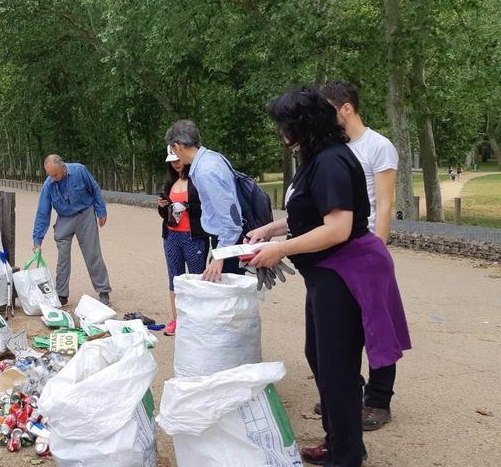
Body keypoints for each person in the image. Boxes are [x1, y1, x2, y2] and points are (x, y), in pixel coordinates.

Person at [248, 86, 410, 466]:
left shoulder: (332, 161)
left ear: (302, 125)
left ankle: (346, 454)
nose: (281, 133)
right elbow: (312, 212)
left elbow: (337, 228)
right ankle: (341, 440)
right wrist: (271, 230)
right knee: (320, 355)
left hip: (347, 268)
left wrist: (280, 250)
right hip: (328, 269)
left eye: (284, 125)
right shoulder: (318, 158)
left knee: (337, 364)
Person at [321, 81, 399, 430]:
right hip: (337, 250)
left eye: (328, 109)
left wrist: (377, 249)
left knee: (377, 327)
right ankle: (348, 393)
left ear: (346, 108)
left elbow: (384, 203)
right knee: (343, 327)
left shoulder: (378, 146)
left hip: (366, 248)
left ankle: (380, 401)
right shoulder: (335, 148)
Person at [163, 120, 244, 281]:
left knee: (223, 301)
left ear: (178, 146)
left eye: (173, 149)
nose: (175, 154)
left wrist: (219, 256)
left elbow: (230, 219)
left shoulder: (205, 172)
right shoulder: (213, 158)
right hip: (226, 242)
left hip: (226, 243)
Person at [32, 155, 112, 306]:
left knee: (92, 254)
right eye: (49, 175)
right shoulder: (49, 184)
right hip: (64, 218)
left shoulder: (80, 170)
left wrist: (101, 211)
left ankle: (103, 291)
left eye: (55, 174)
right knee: (62, 259)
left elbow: (94, 189)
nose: (53, 178)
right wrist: (38, 240)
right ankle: (61, 294)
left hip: (85, 214)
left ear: (63, 167)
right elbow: (43, 212)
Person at [157, 145, 209, 336]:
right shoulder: (170, 182)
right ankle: (177, 319)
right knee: (175, 278)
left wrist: (187, 206)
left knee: (196, 278)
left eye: (178, 160)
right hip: (171, 235)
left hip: (193, 236)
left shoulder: (197, 180)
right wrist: (163, 206)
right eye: (172, 161)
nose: (176, 164)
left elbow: (207, 206)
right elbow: (165, 214)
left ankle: (197, 320)